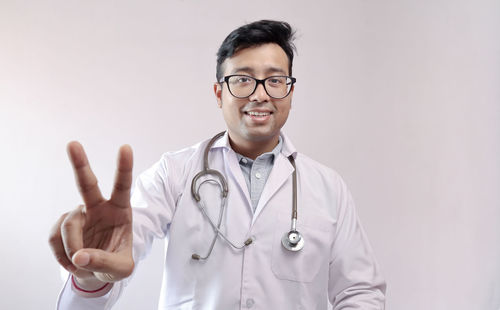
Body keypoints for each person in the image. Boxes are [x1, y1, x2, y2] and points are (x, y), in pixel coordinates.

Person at [49, 20, 386, 309]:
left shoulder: (327, 187)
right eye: (242, 79)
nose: (260, 94)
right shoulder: (174, 174)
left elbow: (359, 291)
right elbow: (112, 260)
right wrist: (91, 275)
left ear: (290, 92)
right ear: (218, 92)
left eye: (275, 80)